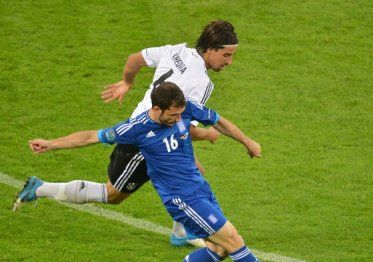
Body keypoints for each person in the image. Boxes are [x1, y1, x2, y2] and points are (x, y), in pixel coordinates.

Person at [27, 82, 315, 262]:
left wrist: (247, 141)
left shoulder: (185, 107)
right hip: (181, 199)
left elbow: (218, 121)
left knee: (218, 248)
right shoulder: (136, 128)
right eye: (174, 116)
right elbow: (91, 136)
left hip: (199, 188)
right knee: (233, 240)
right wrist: (51, 144)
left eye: (181, 114)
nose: (180, 120)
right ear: (156, 109)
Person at [13, 20, 239, 248]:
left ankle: (183, 232)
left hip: (151, 126)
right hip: (145, 140)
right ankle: (41, 188)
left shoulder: (176, 50)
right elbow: (184, 127)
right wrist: (208, 134)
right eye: (226, 55)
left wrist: (126, 82)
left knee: (191, 170)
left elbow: (134, 60)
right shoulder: (200, 82)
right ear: (211, 49)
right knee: (113, 195)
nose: (229, 62)